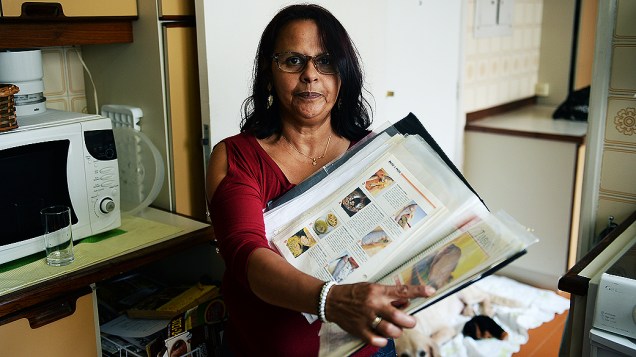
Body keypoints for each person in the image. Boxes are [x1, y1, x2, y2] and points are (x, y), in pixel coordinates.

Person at [205, 4, 435, 356]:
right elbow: (246, 257)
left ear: (342, 77)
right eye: (293, 61)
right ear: (269, 73)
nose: (310, 74)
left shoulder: (375, 153)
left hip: (369, 348)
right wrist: (331, 299)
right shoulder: (236, 158)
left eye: (325, 61)